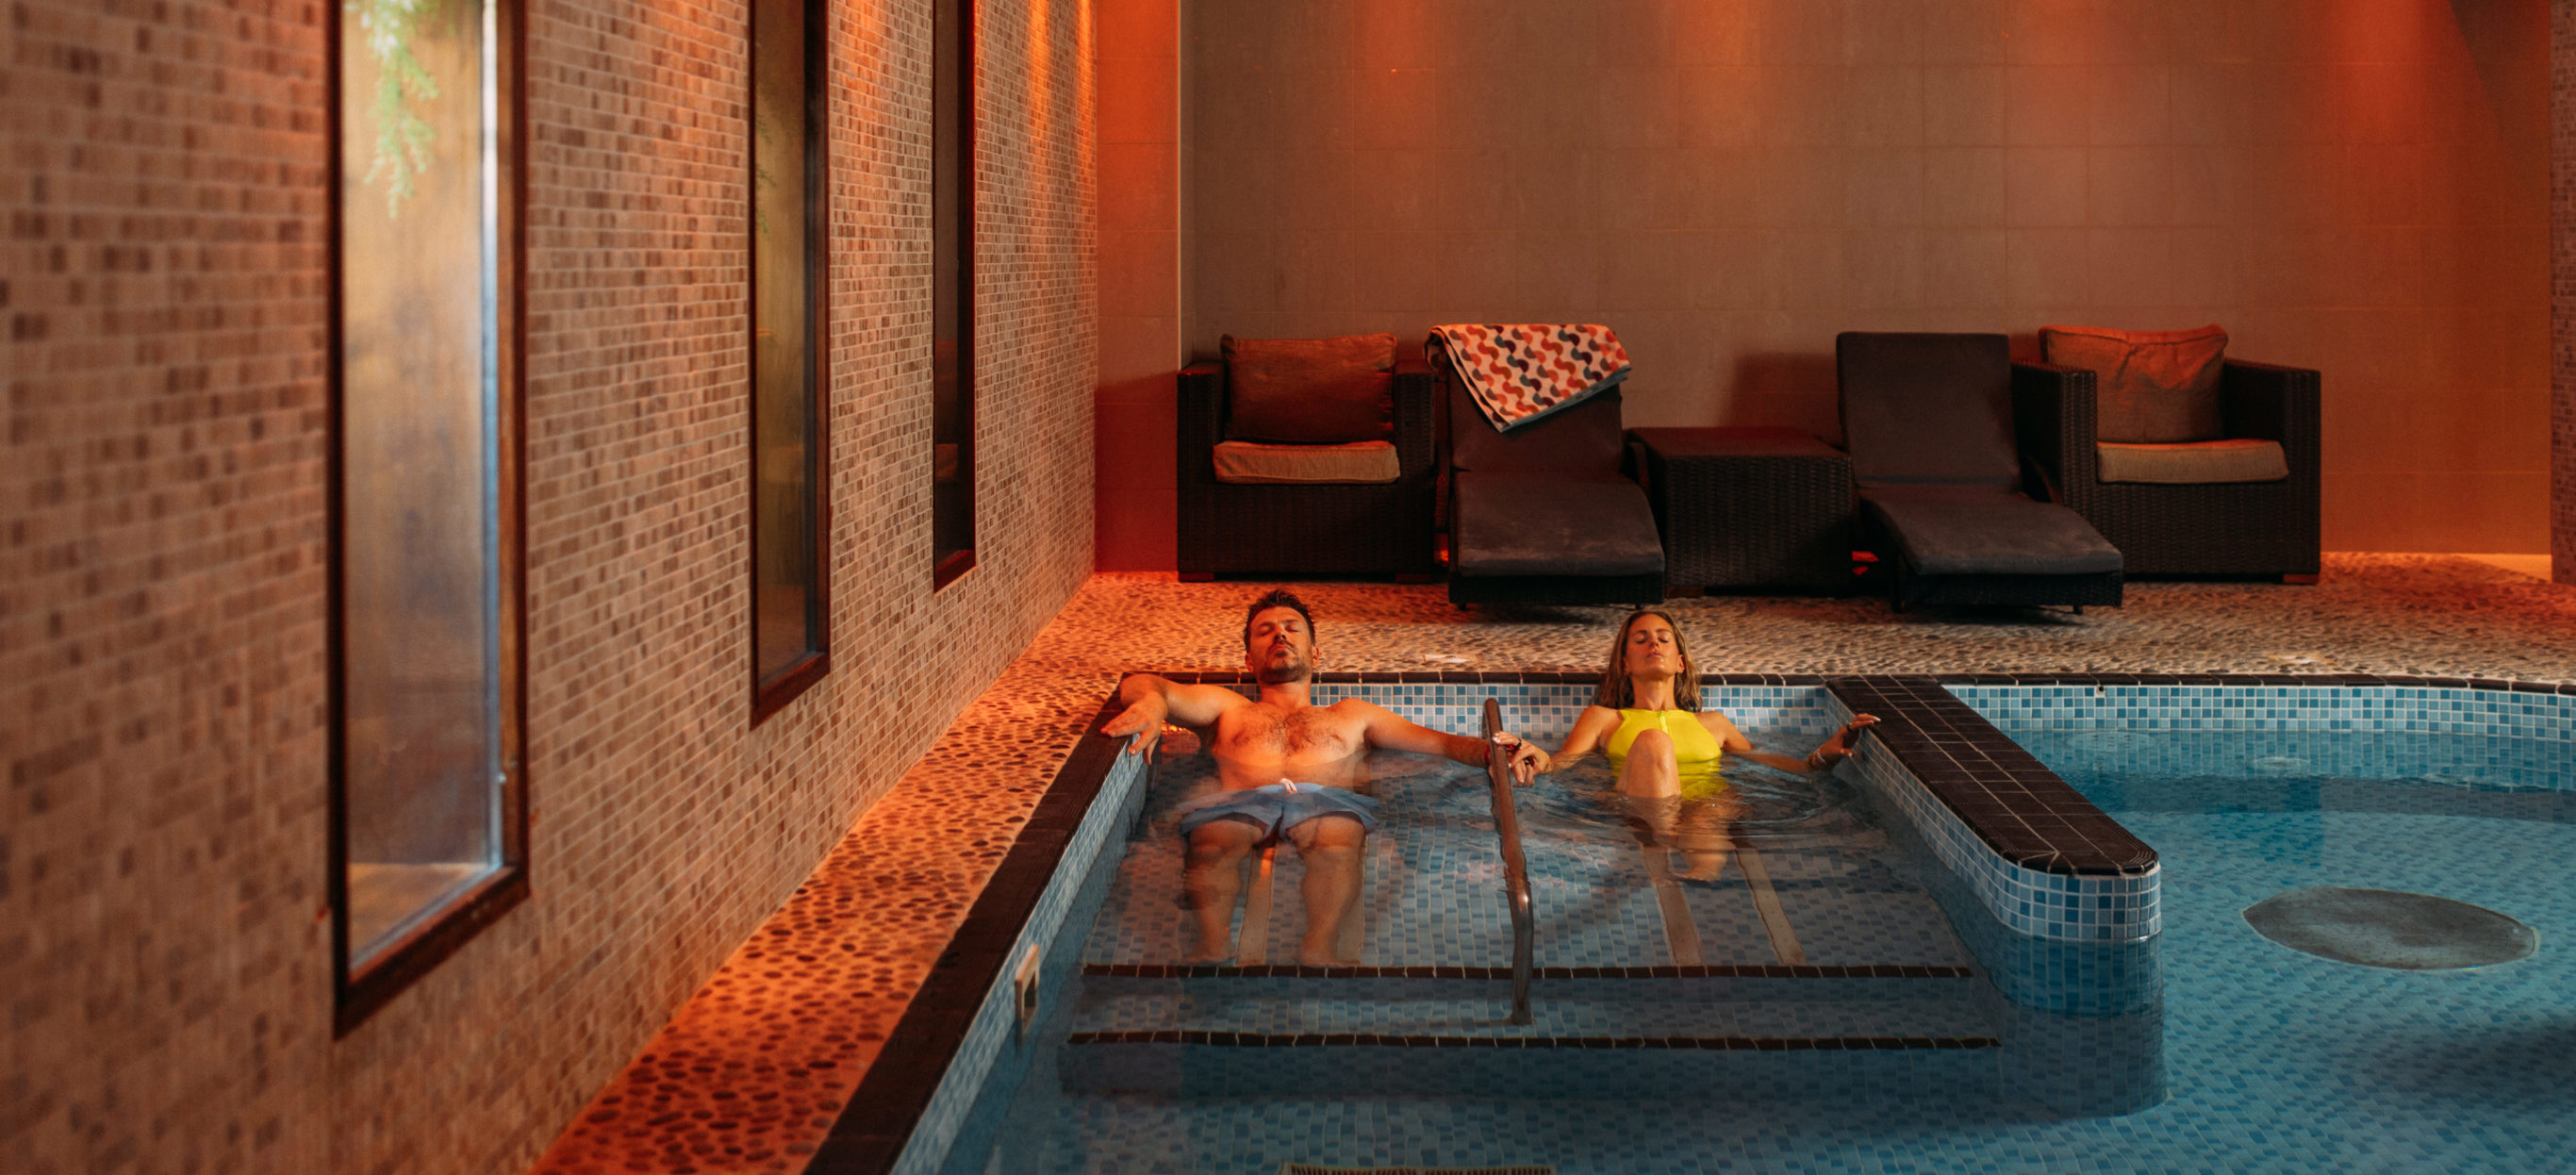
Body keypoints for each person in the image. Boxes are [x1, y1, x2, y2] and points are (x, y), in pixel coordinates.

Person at [1103, 588, 1543, 966]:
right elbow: (1144, 683)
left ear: (1315, 654)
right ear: (1248, 658)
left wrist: (1501, 751)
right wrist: (1154, 705)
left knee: (1337, 840)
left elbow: (1445, 744)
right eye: (1266, 630)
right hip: (1242, 798)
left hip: (1325, 800)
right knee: (1212, 839)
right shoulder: (1227, 707)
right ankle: (1212, 946)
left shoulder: (1351, 715)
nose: (1280, 634)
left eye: (1292, 628)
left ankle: (1319, 948)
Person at [1519, 608, 1878, 879]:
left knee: (1712, 807)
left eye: (1663, 638)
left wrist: (1821, 758)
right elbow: (1564, 763)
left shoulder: (1714, 723)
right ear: (1625, 663)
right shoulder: (1605, 717)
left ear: (1679, 662)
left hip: (1704, 805)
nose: (1653, 643)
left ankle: (1701, 878)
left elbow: (1764, 763)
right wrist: (1538, 758)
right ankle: (1665, 842)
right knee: (1655, 741)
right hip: (1644, 806)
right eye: (1641, 639)